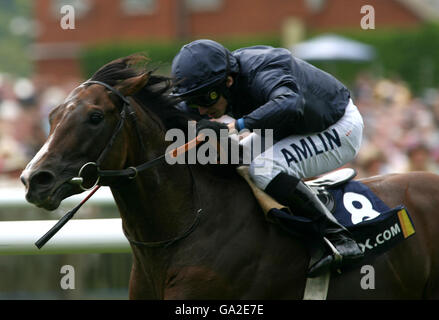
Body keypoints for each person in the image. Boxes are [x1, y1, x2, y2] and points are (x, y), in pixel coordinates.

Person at [171, 39, 364, 277]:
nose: (200, 109)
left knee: (263, 169)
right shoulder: (221, 79)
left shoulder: (261, 71)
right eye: (193, 101)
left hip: (338, 126)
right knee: (233, 157)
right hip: (292, 124)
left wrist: (237, 126)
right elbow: (174, 112)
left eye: (205, 99)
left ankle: (340, 238)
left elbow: (290, 103)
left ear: (228, 82)